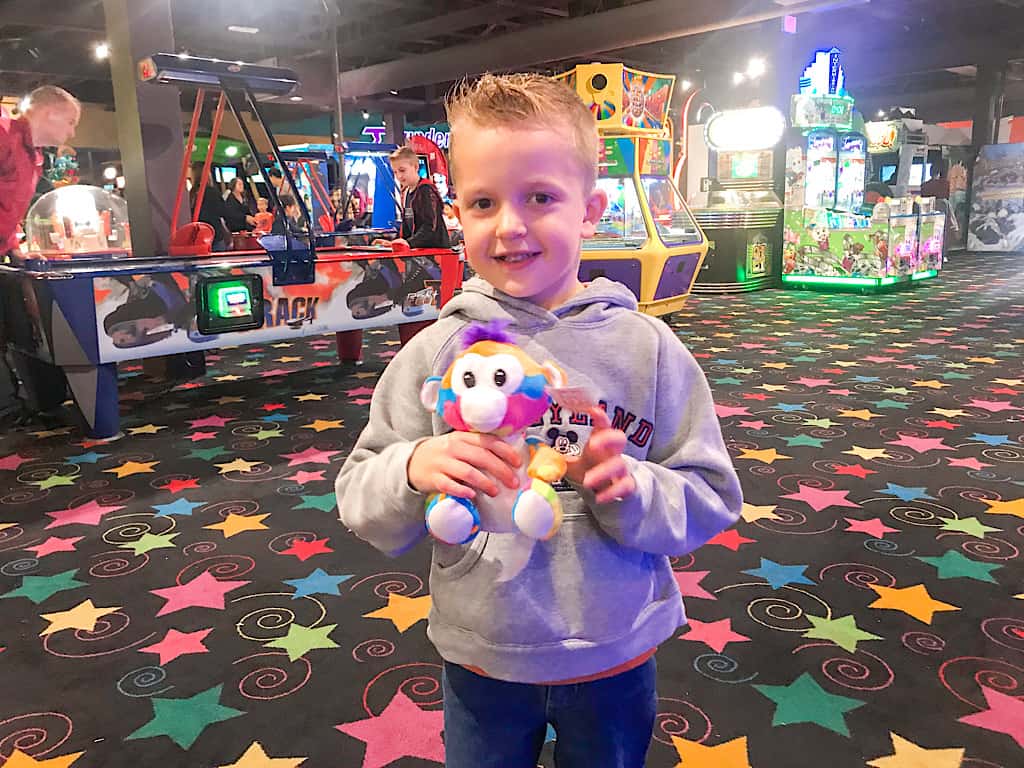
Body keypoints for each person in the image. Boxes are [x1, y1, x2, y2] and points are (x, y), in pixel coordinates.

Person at [334, 73, 742, 768]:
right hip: (483, 657)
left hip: (614, 656)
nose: (510, 225)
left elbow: (711, 495)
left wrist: (632, 488)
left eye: (541, 198)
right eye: (484, 202)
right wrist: (411, 469)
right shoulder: (436, 350)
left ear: (592, 210)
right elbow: (357, 494)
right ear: (457, 211)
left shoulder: (647, 350)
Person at [0, 85, 81, 422]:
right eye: (71, 121)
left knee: (12, 332)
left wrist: (14, 247)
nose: (72, 130)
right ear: (49, 113)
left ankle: (15, 406)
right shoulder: (4, 136)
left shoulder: (32, 154)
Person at [336, 145, 451, 367]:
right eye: (396, 172)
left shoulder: (426, 191)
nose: (399, 176)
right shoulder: (408, 192)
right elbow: (408, 229)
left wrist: (406, 243)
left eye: (403, 171)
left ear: (415, 167)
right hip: (419, 258)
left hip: (435, 259)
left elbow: (430, 229)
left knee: (420, 314)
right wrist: (394, 242)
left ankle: (424, 361)